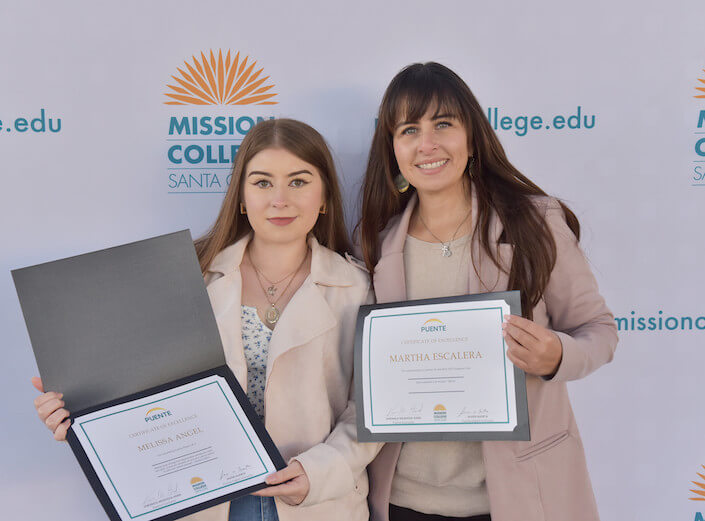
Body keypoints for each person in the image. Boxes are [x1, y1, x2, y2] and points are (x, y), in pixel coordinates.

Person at [32, 118, 380, 521]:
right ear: (242, 197)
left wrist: (318, 471)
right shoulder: (187, 277)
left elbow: (368, 411)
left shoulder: (356, 287)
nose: (280, 199)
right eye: (263, 182)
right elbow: (139, 394)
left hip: (314, 502)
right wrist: (78, 417)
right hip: (203, 503)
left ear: (324, 197)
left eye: (299, 181)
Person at [357, 62, 618, 521]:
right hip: (401, 500)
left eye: (443, 124)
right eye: (409, 130)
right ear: (392, 148)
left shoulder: (534, 221)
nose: (427, 144)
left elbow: (598, 330)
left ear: (472, 135)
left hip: (515, 497)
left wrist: (556, 356)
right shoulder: (378, 242)